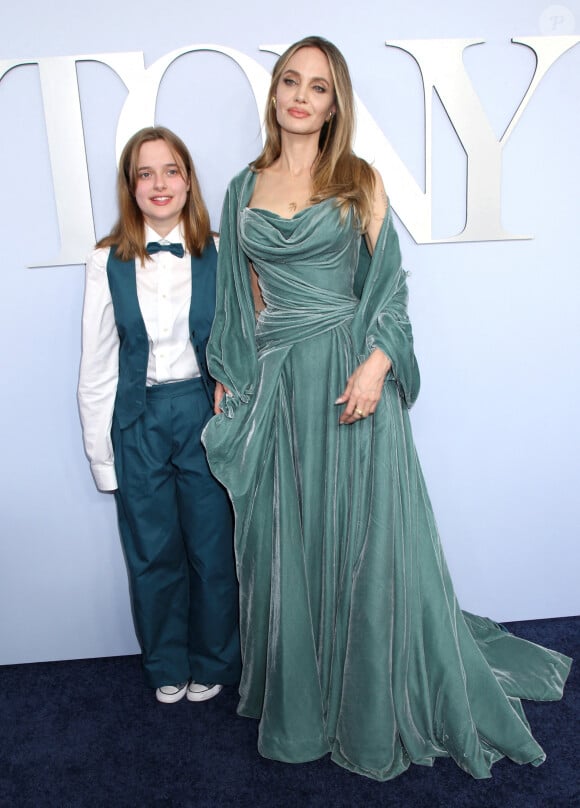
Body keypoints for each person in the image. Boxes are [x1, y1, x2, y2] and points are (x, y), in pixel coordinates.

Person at [202, 37, 571, 780]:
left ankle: (369, 697)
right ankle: (300, 698)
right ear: (274, 93)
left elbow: (390, 288)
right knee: (288, 544)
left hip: (347, 379)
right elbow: (240, 301)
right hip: (280, 388)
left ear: (336, 104)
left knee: (363, 539)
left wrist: (377, 362)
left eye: (320, 87)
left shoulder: (358, 180)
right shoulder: (242, 188)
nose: (302, 97)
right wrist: (232, 376)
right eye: (290, 82)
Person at [78, 126, 240, 704]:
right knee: (152, 551)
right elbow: (96, 364)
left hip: (203, 413)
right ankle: (166, 662)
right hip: (138, 418)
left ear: (189, 178)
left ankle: (216, 659)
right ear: (130, 186)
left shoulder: (222, 251)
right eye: (144, 173)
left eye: (170, 169)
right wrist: (103, 459)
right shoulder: (106, 260)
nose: (159, 183)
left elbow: (245, 344)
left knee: (212, 548)